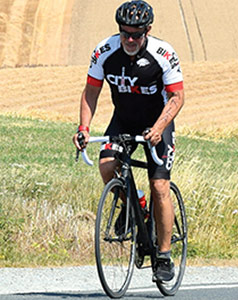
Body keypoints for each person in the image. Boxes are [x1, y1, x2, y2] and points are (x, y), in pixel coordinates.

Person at [72, 0, 184, 282]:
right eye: (125, 33)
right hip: (123, 120)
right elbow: (91, 92)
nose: (130, 40)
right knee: (107, 166)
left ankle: (163, 255)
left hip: (157, 123)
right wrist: (84, 128)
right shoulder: (105, 51)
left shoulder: (163, 53)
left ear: (148, 31)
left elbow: (177, 97)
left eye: (136, 34)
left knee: (160, 185)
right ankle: (137, 206)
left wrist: (159, 127)